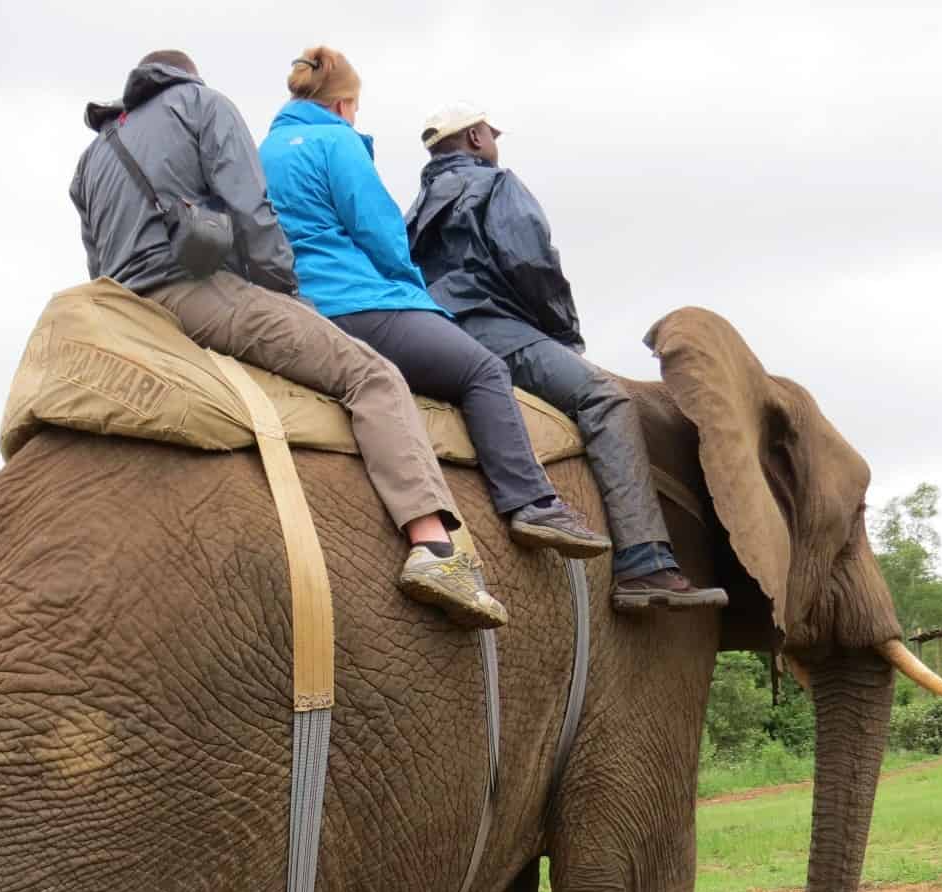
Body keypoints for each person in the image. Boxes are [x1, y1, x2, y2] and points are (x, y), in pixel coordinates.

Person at [69, 50, 507, 629]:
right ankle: (435, 548)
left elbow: (97, 260)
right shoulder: (202, 104)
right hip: (197, 295)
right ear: (186, 78)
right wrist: (284, 290)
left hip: (130, 313)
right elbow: (251, 211)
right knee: (371, 376)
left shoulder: (92, 156)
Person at [258, 47, 610, 563]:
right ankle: (532, 502)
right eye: (356, 109)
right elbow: (380, 235)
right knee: (483, 370)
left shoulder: (263, 150)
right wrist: (416, 296)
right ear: (342, 105)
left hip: (294, 313)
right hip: (358, 304)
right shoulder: (338, 142)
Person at [406, 104, 728, 611]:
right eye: (491, 134)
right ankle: (644, 563)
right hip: (493, 331)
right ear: (474, 138)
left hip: (434, 335)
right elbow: (533, 262)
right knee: (605, 398)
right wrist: (562, 333)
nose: (495, 143)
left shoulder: (416, 208)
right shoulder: (496, 185)